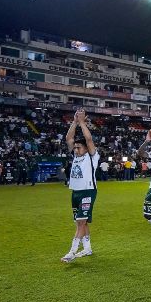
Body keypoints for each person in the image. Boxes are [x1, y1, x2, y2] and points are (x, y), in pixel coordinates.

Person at [61, 109, 100, 263]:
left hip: (88, 191)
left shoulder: (92, 156)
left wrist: (83, 123)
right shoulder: (76, 155)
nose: (76, 150)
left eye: (79, 147)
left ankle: (72, 252)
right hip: (75, 192)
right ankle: (88, 248)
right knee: (81, 221)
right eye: (75, 148)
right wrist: (75, 121)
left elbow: (89, 139)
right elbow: (68, 137)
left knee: (81, 222)